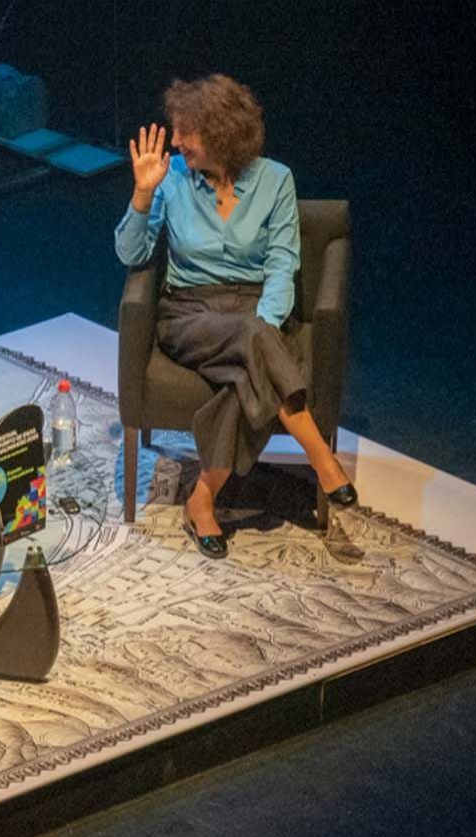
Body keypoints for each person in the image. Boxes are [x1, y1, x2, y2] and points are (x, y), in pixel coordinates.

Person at [114, 75, 356, 559]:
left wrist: (265, 323)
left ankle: (201, 501)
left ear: (223, 134)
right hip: (189, 314)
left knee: (247, 377)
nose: (175, 141)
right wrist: (142, 195)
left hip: (253, 309)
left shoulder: (275, 180)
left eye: (186, 133)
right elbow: (130, 252)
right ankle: (320, 455)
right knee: (258, 345)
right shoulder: (174, 181)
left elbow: (283, 264)